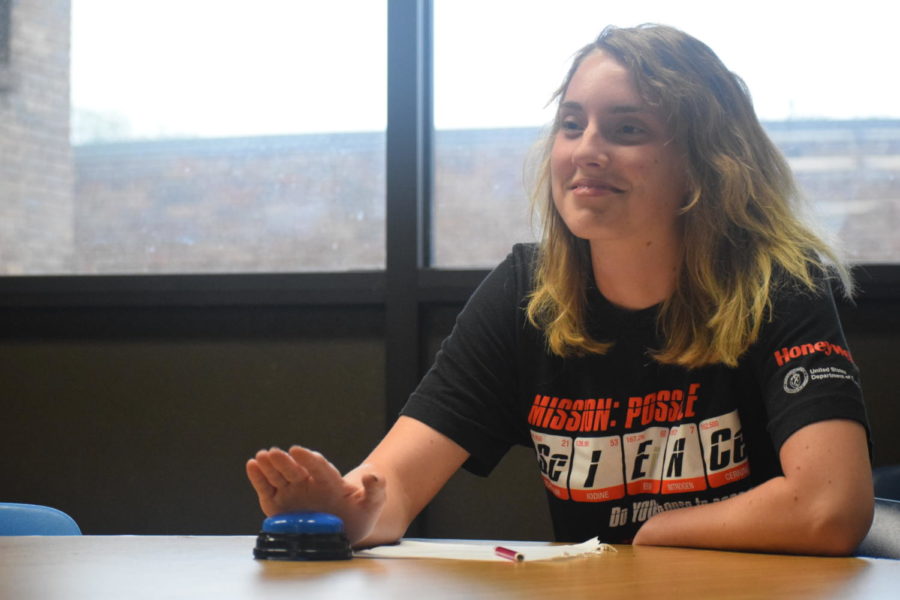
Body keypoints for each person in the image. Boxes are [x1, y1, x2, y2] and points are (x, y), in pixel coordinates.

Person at [246, 24, 873, 556]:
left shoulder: (781, 284)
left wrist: (656, 535)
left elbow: (831, 506)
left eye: (626, 130)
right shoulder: (527, 292)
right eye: (572, 125)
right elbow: (393, 489)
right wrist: (349, 514)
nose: (586, 150)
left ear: (707, 162)